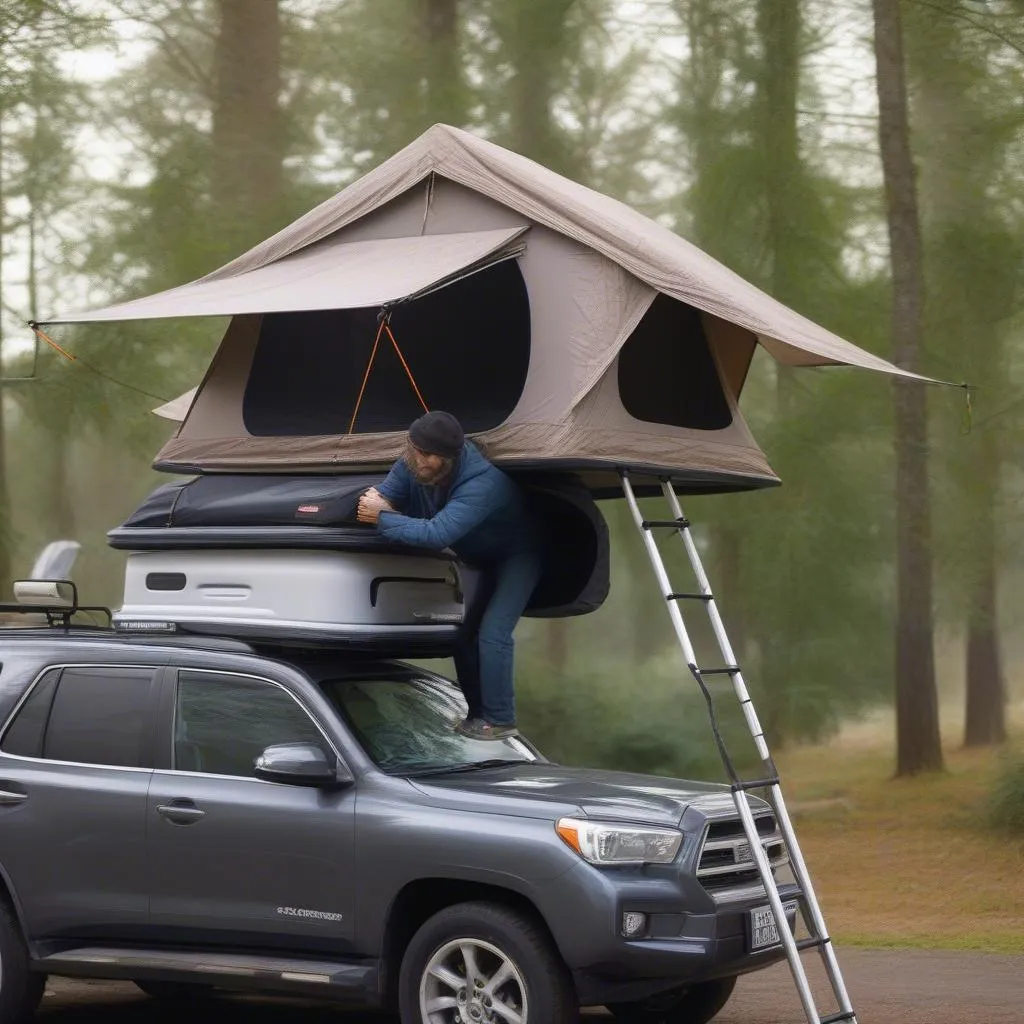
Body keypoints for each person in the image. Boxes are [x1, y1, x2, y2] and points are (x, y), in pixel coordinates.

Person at [357, 411, 542, 740]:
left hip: (518, 555)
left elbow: (437, 534)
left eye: (429, 456)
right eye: (416, 451)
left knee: (493, 634)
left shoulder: (484, 483)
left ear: (451, 459)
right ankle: (477, 715)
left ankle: (501, 720)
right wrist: (379, 504)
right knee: (462, 637)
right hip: (478, 556)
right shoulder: (411, 463)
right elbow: (382, 497)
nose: (421, 461)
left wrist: (383, 518)